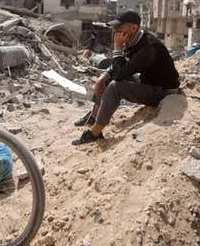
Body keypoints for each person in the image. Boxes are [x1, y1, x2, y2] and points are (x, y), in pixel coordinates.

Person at [72, 10, 180, 145]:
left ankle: (95, 133)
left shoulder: (148, 47)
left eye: (119, 27)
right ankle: (94, 116)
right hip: (149, 81)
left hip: (162, 92)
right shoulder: (133, 39)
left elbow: (119, 74)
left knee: (115, 86)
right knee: (107, 79)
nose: (116, 31)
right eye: (115, 27)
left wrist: (117, 47)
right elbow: (120, 66)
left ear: (133, 27)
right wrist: (102, 77)